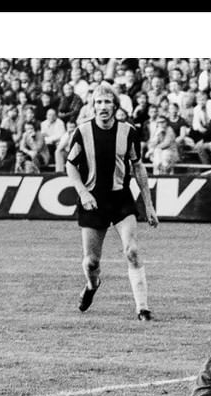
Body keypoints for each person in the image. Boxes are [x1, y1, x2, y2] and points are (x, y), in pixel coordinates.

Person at [65, 83, 159, 321]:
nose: (103, 106)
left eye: (107, 101)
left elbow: (138, 167)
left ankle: (143, 308)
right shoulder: (82, 132)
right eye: (98, 102)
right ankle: (92, 284)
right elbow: (70, 165)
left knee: (132, 251)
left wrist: (148, 206)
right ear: (93, 106)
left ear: (115, 106)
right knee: (91, 262)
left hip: (120, 199)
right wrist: (83, 193)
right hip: (93, 201)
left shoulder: (128, 132)